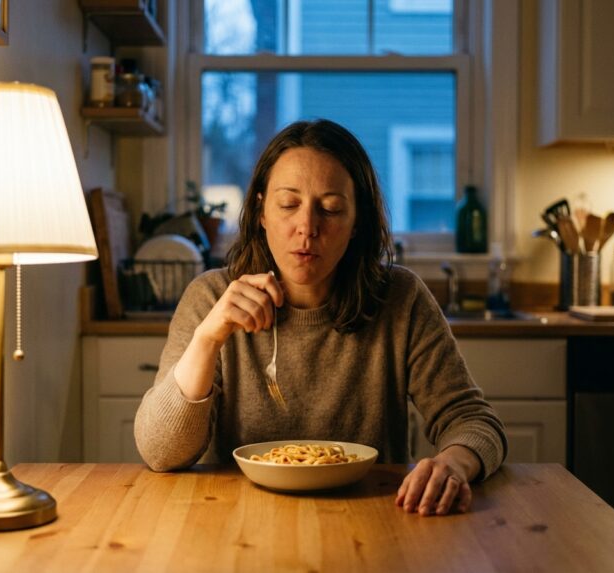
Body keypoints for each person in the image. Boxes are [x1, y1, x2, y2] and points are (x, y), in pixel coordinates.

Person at [134, 119, 507, 517]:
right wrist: (207, 339)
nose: (307, 228)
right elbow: (160, 452)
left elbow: (473, 421)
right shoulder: (209, 297)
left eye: (330, 209)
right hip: (235, 518)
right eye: (288, 204)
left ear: (356, 222)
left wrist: (453, 464)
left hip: (372, 516)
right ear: (261, 212)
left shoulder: (400, 299)